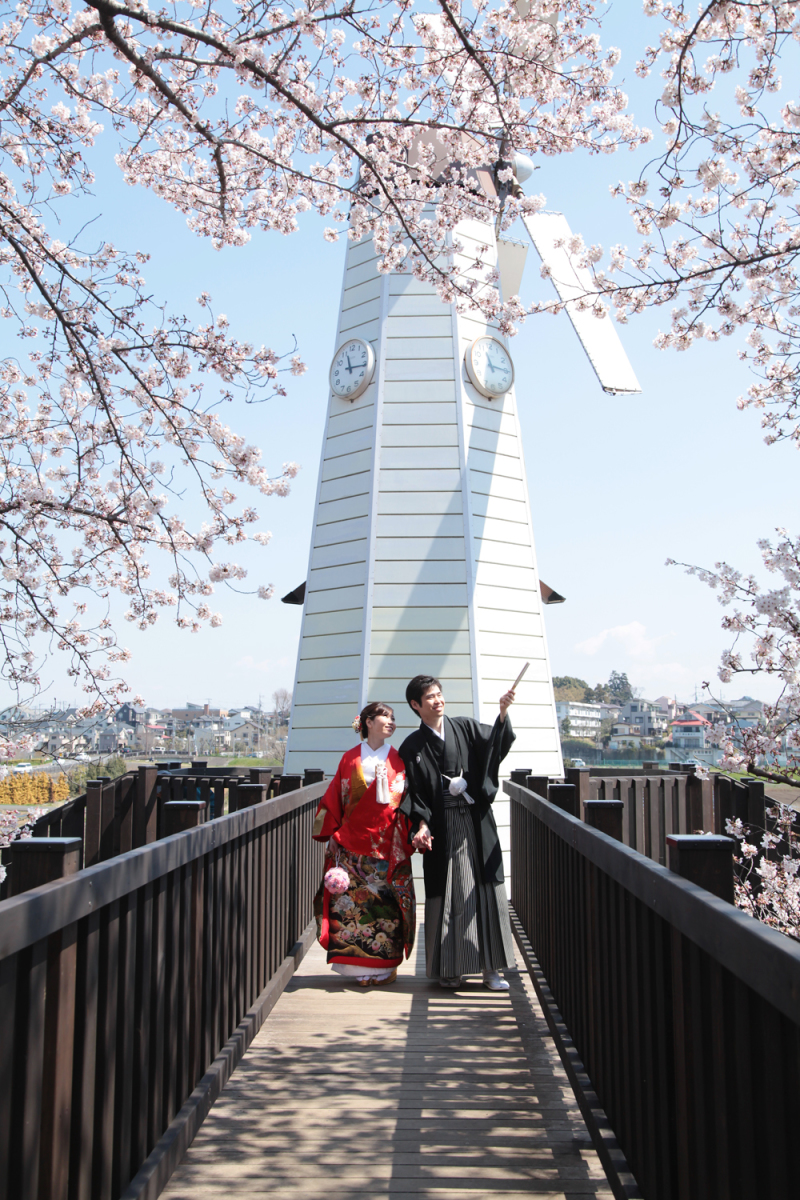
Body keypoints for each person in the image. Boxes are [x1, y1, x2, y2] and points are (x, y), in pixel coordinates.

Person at [398, 675, 516, 991]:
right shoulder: (411, 746)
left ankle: (493, 970)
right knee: (452, 894)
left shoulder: (463, 727)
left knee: (485, 891)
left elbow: (495, 747)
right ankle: (451, 968)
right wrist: (420, 826)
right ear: (416, 705)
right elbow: (414, 793)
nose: (438, 700)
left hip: (476, 823)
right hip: (442, 827)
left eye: (440, 694)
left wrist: (502, 714)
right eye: (430, 697)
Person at [312, 701, 416, 986]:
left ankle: (385, 967)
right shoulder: (349, 759)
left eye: (394, 718)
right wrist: (333, 833)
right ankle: (358, 968)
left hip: (387, 844)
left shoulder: (400, 759)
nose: (392, 722)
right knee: (353, 906)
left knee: (386, 907)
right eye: (385, 716)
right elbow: (336, 797)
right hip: (352, 846)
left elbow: (405, 801)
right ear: (368, 722)